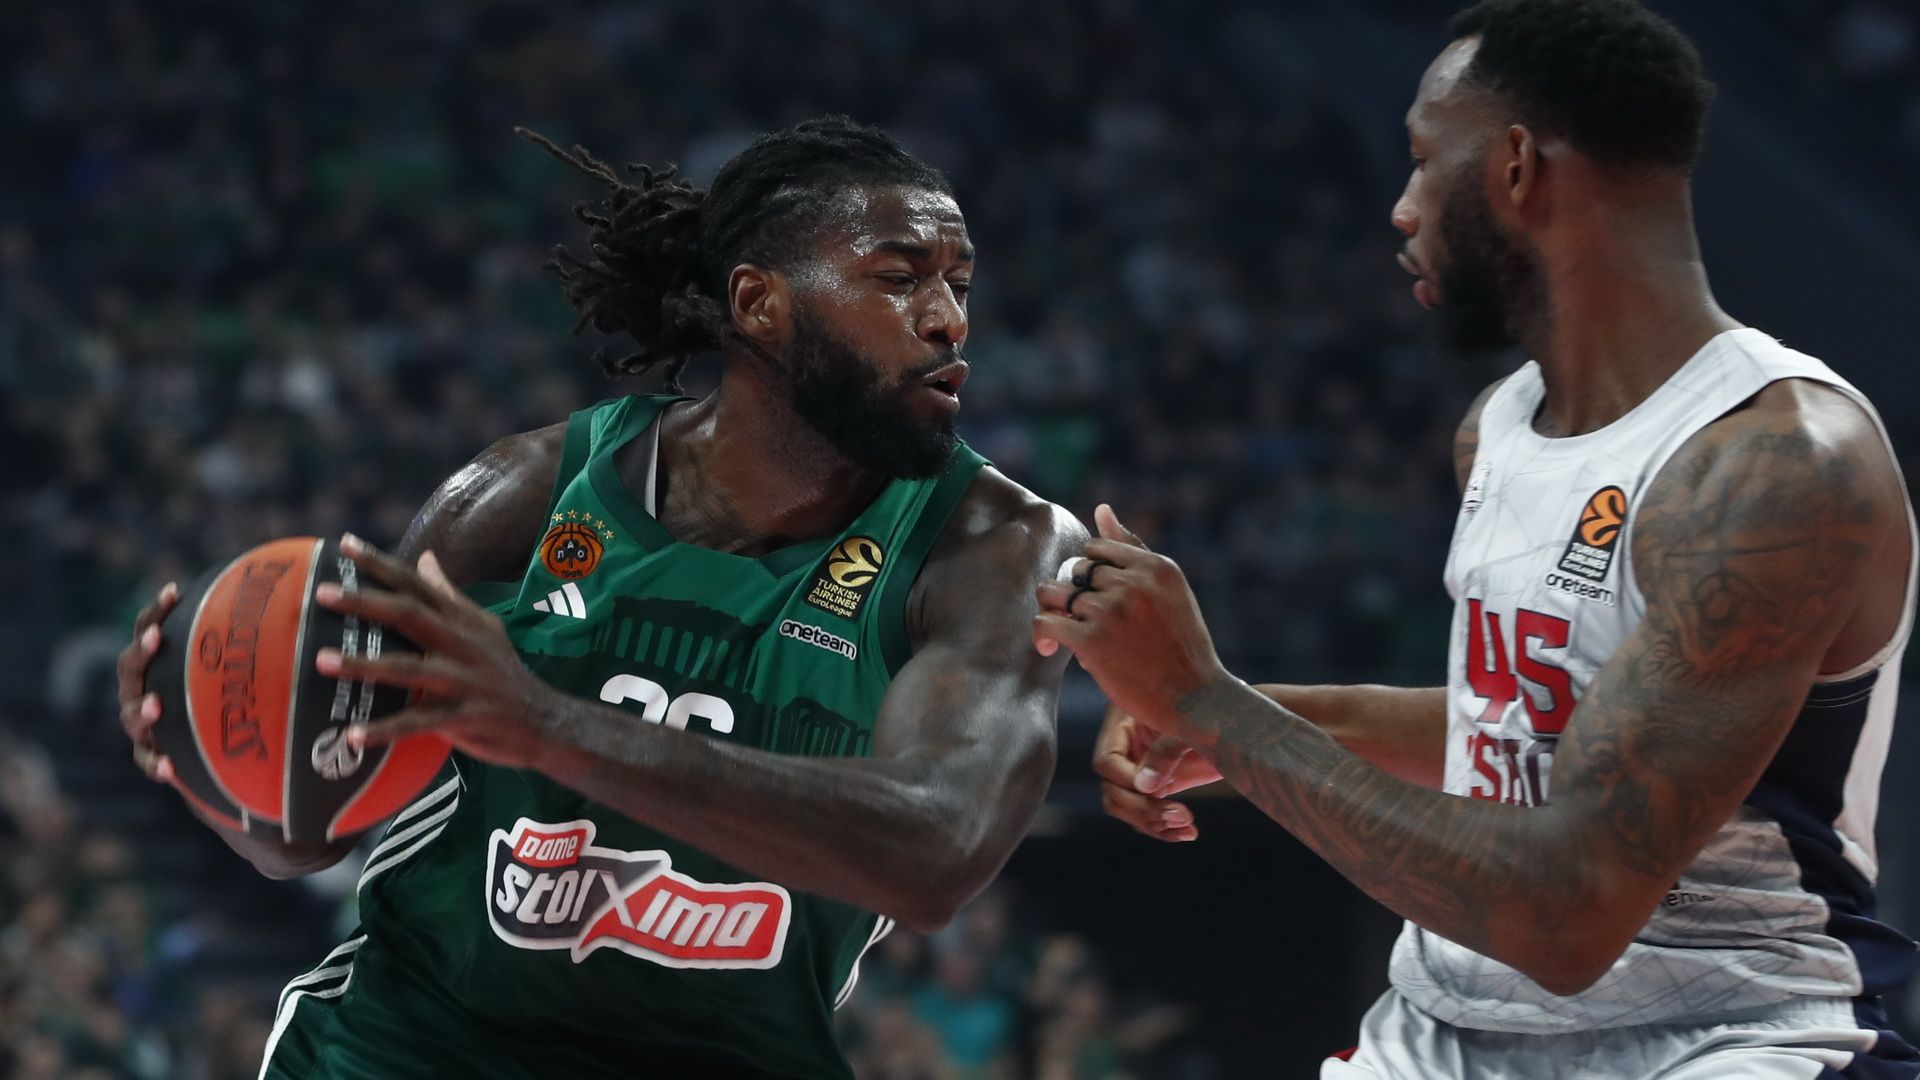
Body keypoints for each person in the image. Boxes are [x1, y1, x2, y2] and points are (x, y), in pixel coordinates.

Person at [1040, 1, 1920, 1076]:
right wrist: (1238, 714)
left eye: (1422, 160)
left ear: (1515, 165)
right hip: (1449, 1027)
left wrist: (1207, 705)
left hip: (1727, 1035)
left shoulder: (1775, 462)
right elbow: (1535, 729)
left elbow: (1567, 915)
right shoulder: (1499, 424)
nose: (1402, 208)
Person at [115, 116, 1085, 1078]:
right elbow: (301, 835)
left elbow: (937, 849)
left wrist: (547, 727)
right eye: (900, 278)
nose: (950, 319)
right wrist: (207, 748)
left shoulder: (996, 550)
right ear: (759, 304)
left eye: (959, 284)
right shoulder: (527, 494)